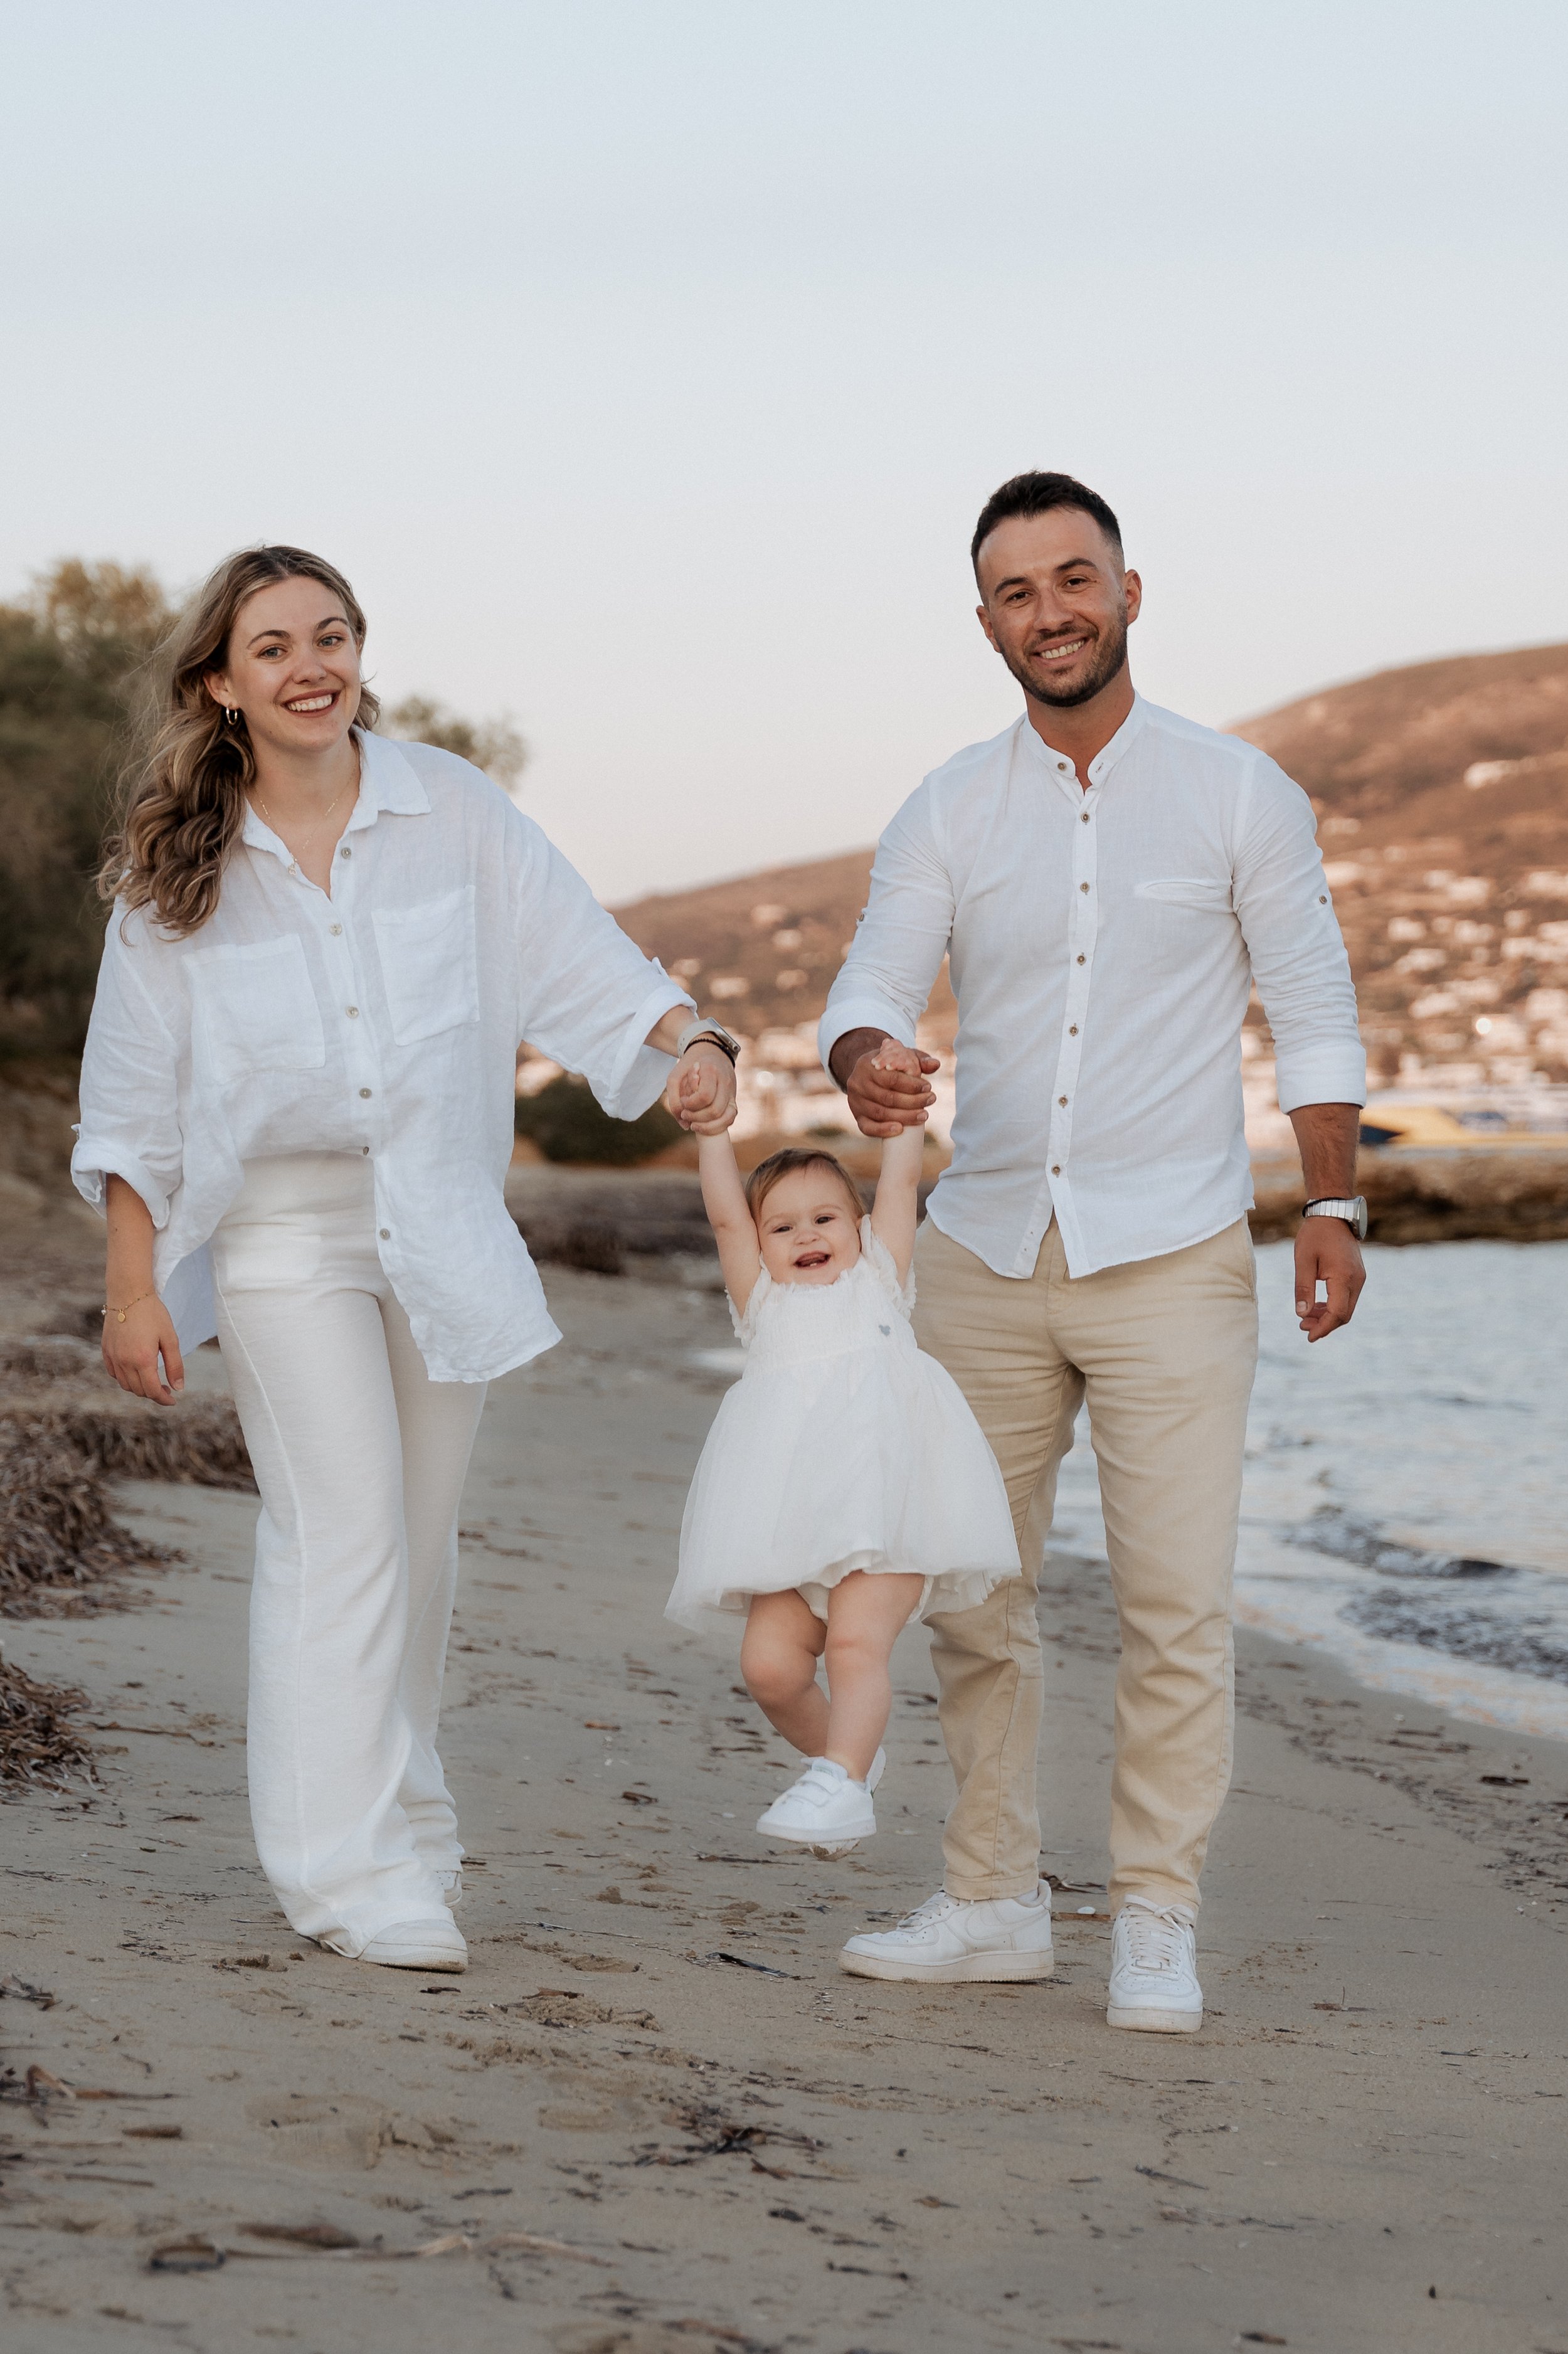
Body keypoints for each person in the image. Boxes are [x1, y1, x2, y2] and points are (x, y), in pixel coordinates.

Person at [74, 543, 738, 1975]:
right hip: (281, 1242)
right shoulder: (174, 875)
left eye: (333, 633)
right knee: (348, 1531)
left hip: (439, 1225)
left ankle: (408, 1827)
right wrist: (133, 1289)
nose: (312, 664)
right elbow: (130, 1106)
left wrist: (685, 1044)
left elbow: (581, 957)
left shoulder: (456, 811)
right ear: (221, 683)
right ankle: (343, 1872)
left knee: (418, 1550)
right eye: (274, 647)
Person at [820, 472, 1368, 2028]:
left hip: (1176, 1255)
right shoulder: (947, 803)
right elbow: (868, 981)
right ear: (985, 620)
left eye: (1076, 578)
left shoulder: (1238, 791)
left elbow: (1314, 1008)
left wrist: (1331, 1204)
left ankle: (1153, 1915)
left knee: (1174, 1603)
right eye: (1016, 590)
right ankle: (992, 1897)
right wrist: (865, 1055)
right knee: (970, 1595)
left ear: (1131, 592)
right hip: (983, 1251)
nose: (1049, 611)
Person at [664, 1100, 1020, 1863]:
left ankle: (840, 1776)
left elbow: (900, 1191)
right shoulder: (762, 1305)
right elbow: (725, 1216)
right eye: (782, 1228)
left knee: (857, 1645)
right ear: (759, 1248)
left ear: (858, 1228)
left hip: (887, 1515)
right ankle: (846, 1763)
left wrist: (901, 1130)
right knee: (768, 1669)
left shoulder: (881, 1285)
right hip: (789, 1525)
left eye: (825, 1219)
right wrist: (711, 1135)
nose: (807, 1237)